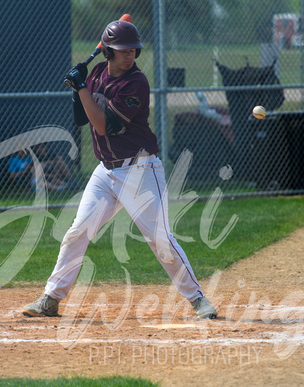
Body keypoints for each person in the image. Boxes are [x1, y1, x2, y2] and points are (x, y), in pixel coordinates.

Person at [22, 20, 218, 319]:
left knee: (159, 239)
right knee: (77, 232)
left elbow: (103, 126)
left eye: (133, 51)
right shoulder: (98, 73)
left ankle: (198, 299)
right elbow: (80, 119)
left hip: (140, 171)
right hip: (106, 172)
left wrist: (82, 87)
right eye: (123, 51)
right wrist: (78, 89)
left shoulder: (135, 83)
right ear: (108, 52)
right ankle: (51, 298)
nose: (130, 56)